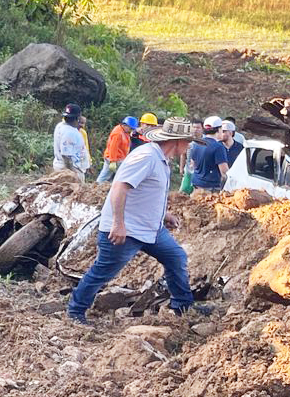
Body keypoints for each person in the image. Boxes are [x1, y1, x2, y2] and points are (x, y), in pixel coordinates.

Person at [67, 117, 214, 324]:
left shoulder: (161, 159)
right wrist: (118, 224)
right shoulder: (146, 157)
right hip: (126, 230)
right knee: (103, 272)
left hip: (150, 229)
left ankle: (183, 306)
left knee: (175, 257)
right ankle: (75, 311)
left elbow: (146, 193)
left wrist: (163, 215)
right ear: (177, 141)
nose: (189, 146)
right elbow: (119, 187)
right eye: (188, 141)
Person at [188, 116, 230, 193]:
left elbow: (193, 164)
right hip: (211, 189)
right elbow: (224, 172)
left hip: (196, 186)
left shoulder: (196, 144)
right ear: (219, 129)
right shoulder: (218, 147)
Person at [52, 103, 90, 179]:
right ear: (77, 118)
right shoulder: (69, 132)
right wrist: (72, 174)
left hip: (60, 164)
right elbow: (66, 156)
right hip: (70, 169)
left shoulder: (60, 125)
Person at [98, 116, 138, 182]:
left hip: (118, 158)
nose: (131, 130)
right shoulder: (118, 133)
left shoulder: (124, 131)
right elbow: (113, 147)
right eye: (130, 128)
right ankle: (97, 185)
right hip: (115, 158)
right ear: (125, 125)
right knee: (123, 175)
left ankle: (98, 185)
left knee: (106, 175)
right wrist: (113, 161)